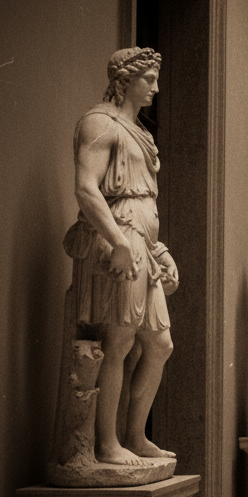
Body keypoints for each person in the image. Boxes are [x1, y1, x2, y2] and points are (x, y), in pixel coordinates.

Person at [64, 47, 179, 466]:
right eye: (148, 78)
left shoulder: (140, 133)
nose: (155, 88)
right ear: (124, 79)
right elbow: (86, 188)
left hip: (142, 245)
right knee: (118, 341)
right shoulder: (99, 122)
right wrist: (118, 241)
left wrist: (160, 251)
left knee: (160, 345)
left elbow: (144, 201)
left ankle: (135, 436)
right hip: (118, 242)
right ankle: (107, 443)